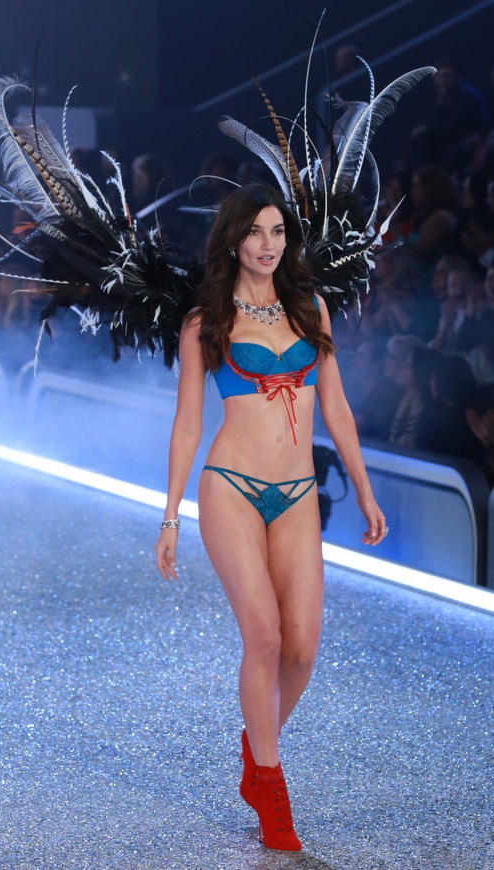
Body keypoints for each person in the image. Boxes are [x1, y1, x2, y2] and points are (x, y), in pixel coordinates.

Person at [155, 183, 386, 852]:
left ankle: (256, 750)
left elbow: (336, 407)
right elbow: (188, 424)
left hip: (298, 493)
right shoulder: (205, 321)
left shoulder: (310, 307)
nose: (268, 244)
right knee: (263, 638)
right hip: (230, 487)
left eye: (278, 231)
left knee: (302, 647)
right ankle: (272, 789)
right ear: (233, 240)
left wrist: (365, 490)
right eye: (255, 232)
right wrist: (170, 516)